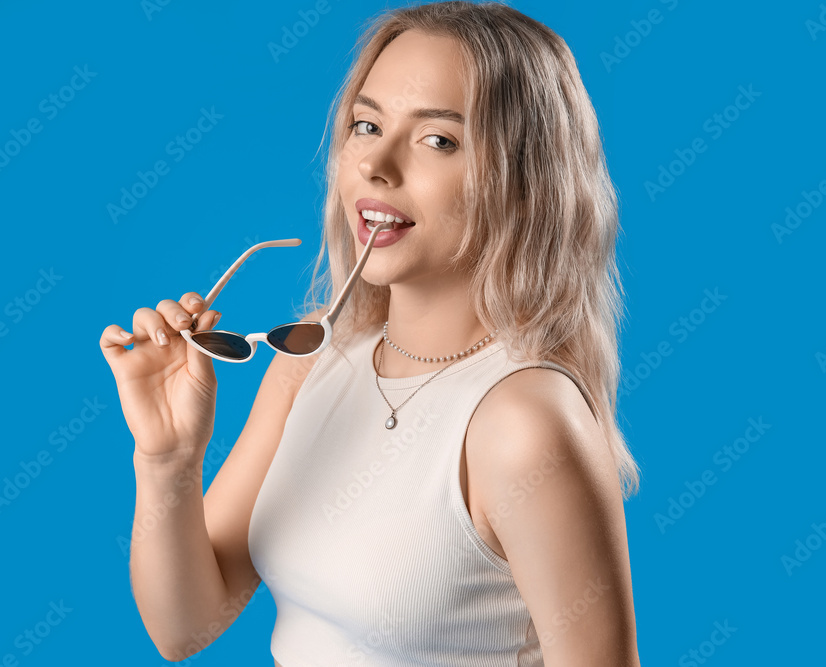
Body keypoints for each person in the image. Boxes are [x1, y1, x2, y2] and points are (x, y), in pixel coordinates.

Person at [99, 1, 641, 664]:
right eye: (366, 124)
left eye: (437, 139)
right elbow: (184, 626)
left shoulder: (523, 421)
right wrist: (166, 461)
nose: (376, 165)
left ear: (523, 182)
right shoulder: (309, 362)